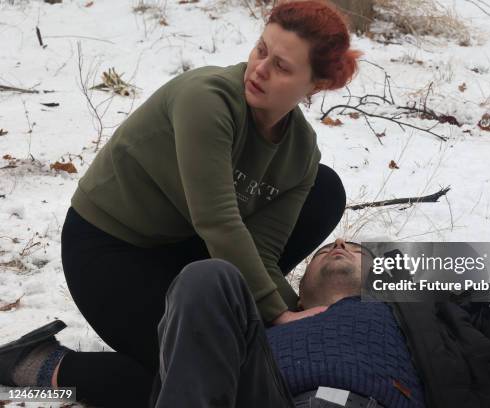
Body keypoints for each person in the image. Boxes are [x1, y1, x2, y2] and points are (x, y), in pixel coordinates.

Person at [0, 1, 364, 406]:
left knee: (324, 189)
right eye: (261, 50)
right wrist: (279, 319)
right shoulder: (207, 99)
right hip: (111, 252)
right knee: (206, 377)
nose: (259, 69)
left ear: (313, 85)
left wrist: (300, 322)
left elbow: (262, 250)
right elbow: (217, 221)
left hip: (191, 256)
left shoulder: (300, 150)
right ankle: (36, 363)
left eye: (281, 67)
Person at [150, 202, 490, 407]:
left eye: (356, 248)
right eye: (324, 249)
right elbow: (175, 379)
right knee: (208, 275)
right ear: (299, 288)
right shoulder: (258, 332)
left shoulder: (447, 319)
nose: (340, 243)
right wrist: (73, 378)